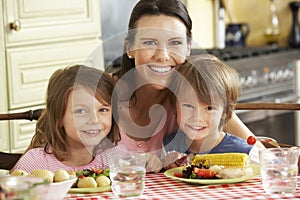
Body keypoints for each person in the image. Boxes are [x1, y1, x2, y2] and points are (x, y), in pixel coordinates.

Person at [111, 0, 261, 172]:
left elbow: (260, 154)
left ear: (188, 48)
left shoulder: (194, 96)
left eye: (175, 43)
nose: (163, 56)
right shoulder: (99, 95)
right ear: (129, 47)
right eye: (149, 42)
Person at [13, 65, 122, 173]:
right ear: (59, 117)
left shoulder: (116, 159)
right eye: (81, 111)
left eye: (102, 110)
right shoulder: (35, 164)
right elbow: (11, 190)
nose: (94, 120)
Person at [162, 55, 259, 168]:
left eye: (209, 108)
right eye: (188, 106)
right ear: (175, 106)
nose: (197, 118)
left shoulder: (245, 152)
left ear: (225, 112)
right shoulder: (167, 146)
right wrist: (164, 164)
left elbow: (275, 173)